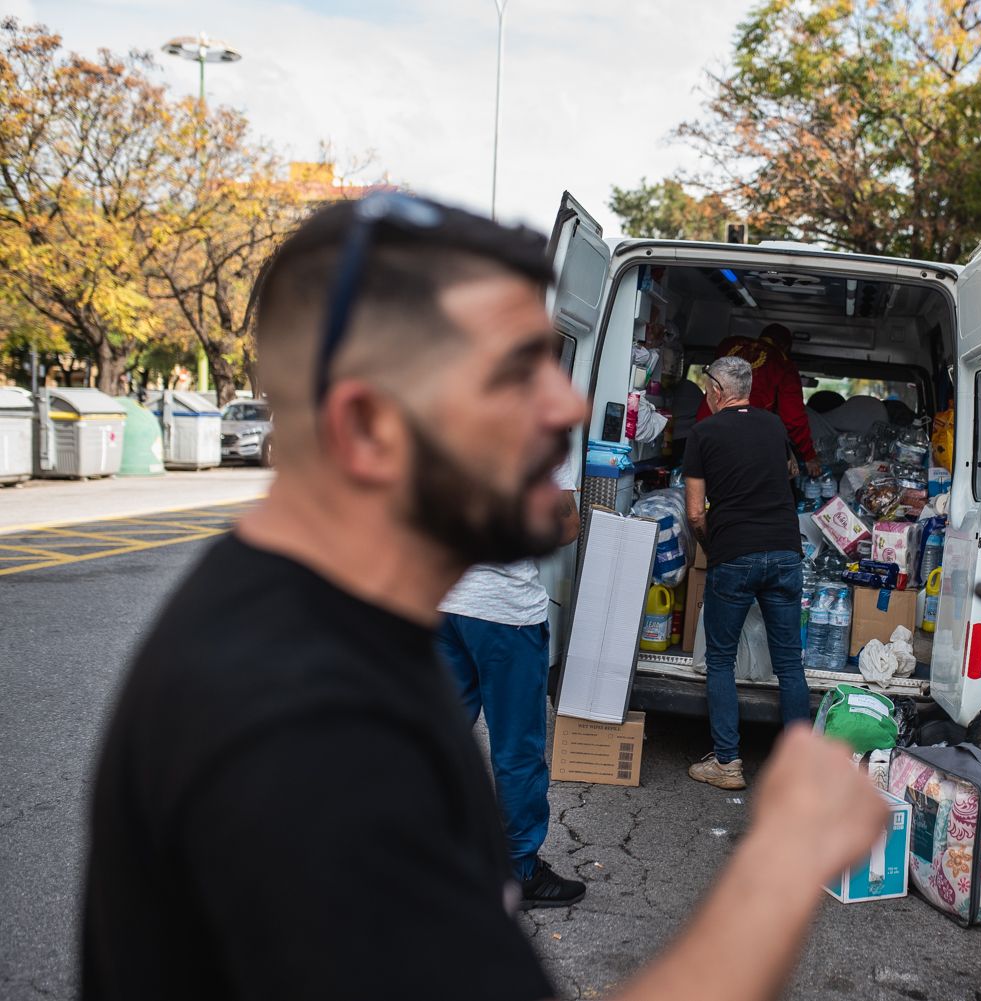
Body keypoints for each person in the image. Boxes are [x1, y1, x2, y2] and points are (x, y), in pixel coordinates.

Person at [82, 193, 888, 1001]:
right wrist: (784, 859)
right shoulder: (305, 731)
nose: (569, 406)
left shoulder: (347, 632)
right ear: (367, 429)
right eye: (513, 374)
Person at [436, 466, 584, 909]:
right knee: (516, 750)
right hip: (505, 614)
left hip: (442, 603)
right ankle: (518, 871)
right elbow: (565, 527)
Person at [682, 355, 810, 790]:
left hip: (735, 552)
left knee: (720, 659)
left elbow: (696, 513)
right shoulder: (774, 426)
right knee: (790, 664)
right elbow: (788, 472)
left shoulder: (702, 433)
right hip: (785, 550)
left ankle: (728, 763)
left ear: (717, 389)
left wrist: (714, 548)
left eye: (705, 388)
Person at [696, 322, 821, 475]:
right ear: (786, 348)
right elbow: (793, 417)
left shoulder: (728, 344)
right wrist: (809, 455)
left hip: (705, 427)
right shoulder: (783, 364)